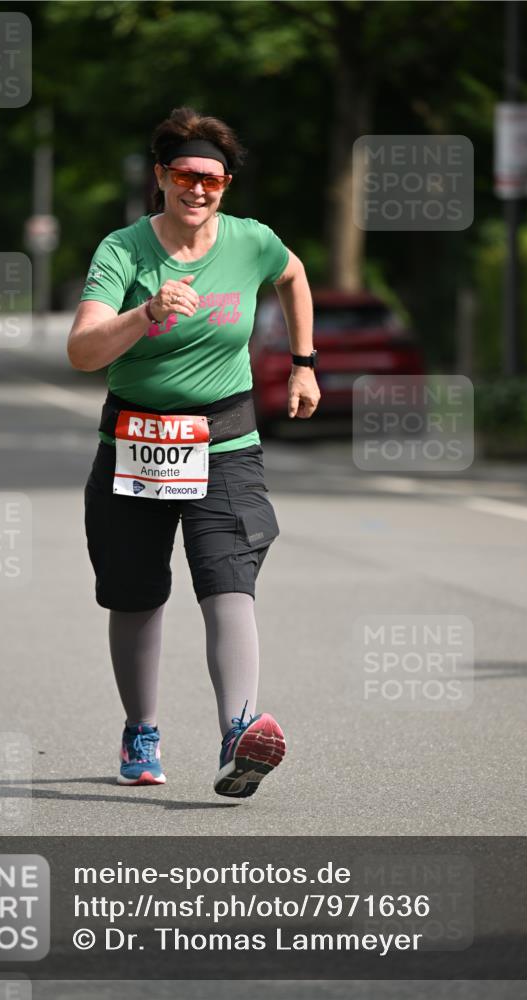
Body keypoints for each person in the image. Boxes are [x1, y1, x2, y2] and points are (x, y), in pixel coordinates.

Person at [68, 107, 320, 798]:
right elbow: (82, 351)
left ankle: (238, 732)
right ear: (161, 177)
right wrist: (143, 313)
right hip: (136, 443)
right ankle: (140, 728)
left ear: (225, 185)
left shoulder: (250, 241)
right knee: (135, 592)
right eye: (184, 174)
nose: (198, 189)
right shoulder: (122, 251)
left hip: (224, 440)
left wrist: (302, 362)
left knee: (226, 577)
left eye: (212, 178)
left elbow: (293, 276)